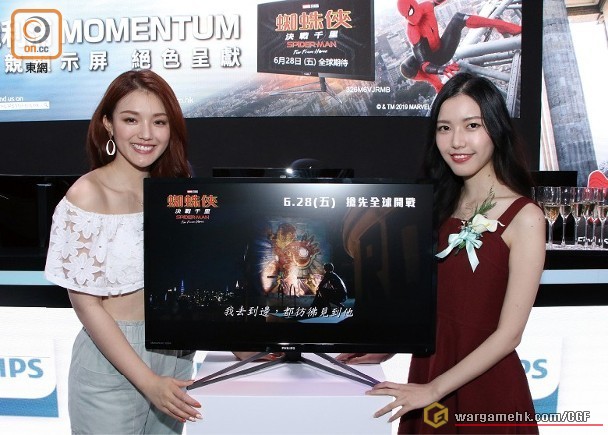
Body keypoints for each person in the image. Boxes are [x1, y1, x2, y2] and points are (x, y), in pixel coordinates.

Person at [338, 73, 545, 434]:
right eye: (444, 128)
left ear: (496, 129)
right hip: (428, 378)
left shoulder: (525, 217)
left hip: (486, 393)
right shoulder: (437, 207)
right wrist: (391, 348)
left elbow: (509, 335)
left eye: (472, 126)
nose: (456, 141)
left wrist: (433, 390)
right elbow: (438, 309)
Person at [44, 69, 201, 434]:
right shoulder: (88, 195)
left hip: (176, 356)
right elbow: (86, 305)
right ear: (108, 124)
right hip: (112, 361)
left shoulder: (177, 191)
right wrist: (148, 381)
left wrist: (241, 344)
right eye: (131, 119)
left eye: (159, 121)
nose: (146, 134)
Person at [397, 0, 521, 92]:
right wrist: (442, 69)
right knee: (413, 70)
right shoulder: (412, 31)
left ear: (415, 5)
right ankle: (437, 86)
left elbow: (437, 2)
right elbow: (424, 64)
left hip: (441, 49)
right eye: (406, 16)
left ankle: (502, 26)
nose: (410, 18)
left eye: (410, 12)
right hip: (436, 61)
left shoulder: (426, 7)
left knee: (458, 18)